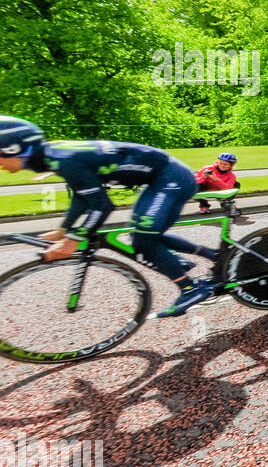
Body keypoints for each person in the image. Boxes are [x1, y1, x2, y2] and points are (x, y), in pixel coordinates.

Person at [0, 117, 221, 317]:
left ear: (12, 148)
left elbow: (102, 205)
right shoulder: (51, 155)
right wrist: (64, 230)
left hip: (170, 178)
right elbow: (82, 195)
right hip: (161, 177)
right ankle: (213, 256)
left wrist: (72, 241)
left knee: (143, 238)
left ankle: (191, 289)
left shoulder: (61, 160)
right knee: (145, 236)